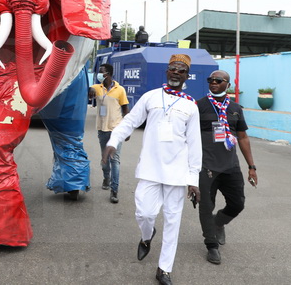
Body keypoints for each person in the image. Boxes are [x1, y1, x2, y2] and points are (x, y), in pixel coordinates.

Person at [103, 54, 201, 285]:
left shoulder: (190, 106)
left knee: (172, 221)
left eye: (181, 70)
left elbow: (195, 144)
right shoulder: (150, 97)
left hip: (177, 174)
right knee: (144, 214)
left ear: (187, 76)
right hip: (149, 169)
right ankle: (147, 236)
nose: (176, 73)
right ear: (166, 72)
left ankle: (164, 269)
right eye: (173, 69)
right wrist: (112, 141)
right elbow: (129, 122)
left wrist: (193, 179)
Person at [196, 70, 258, 265]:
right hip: (206, 166)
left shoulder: (235, 108)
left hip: (230, 166)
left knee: (238, 204)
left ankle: (219, 223)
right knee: (206, 206)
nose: (213, 83)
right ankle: (211, 245)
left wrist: (251, 166)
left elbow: (243, 137)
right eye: (210, 80)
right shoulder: (198, 106)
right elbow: (188, 137)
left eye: (218, 80)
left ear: (227, 85)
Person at [89, 63, 129, 203]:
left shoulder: (120, 90)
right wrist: (89, 92)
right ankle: (106, 177)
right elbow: (87, 93)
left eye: (102, 72)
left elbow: (125, 109)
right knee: (104, 159)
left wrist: (127, 129)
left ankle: (114, 190)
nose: (99, 74)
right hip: (102, 129)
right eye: (99, 72)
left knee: (115, 160)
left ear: (109, 74)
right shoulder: (96, 88)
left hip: (116, 130)